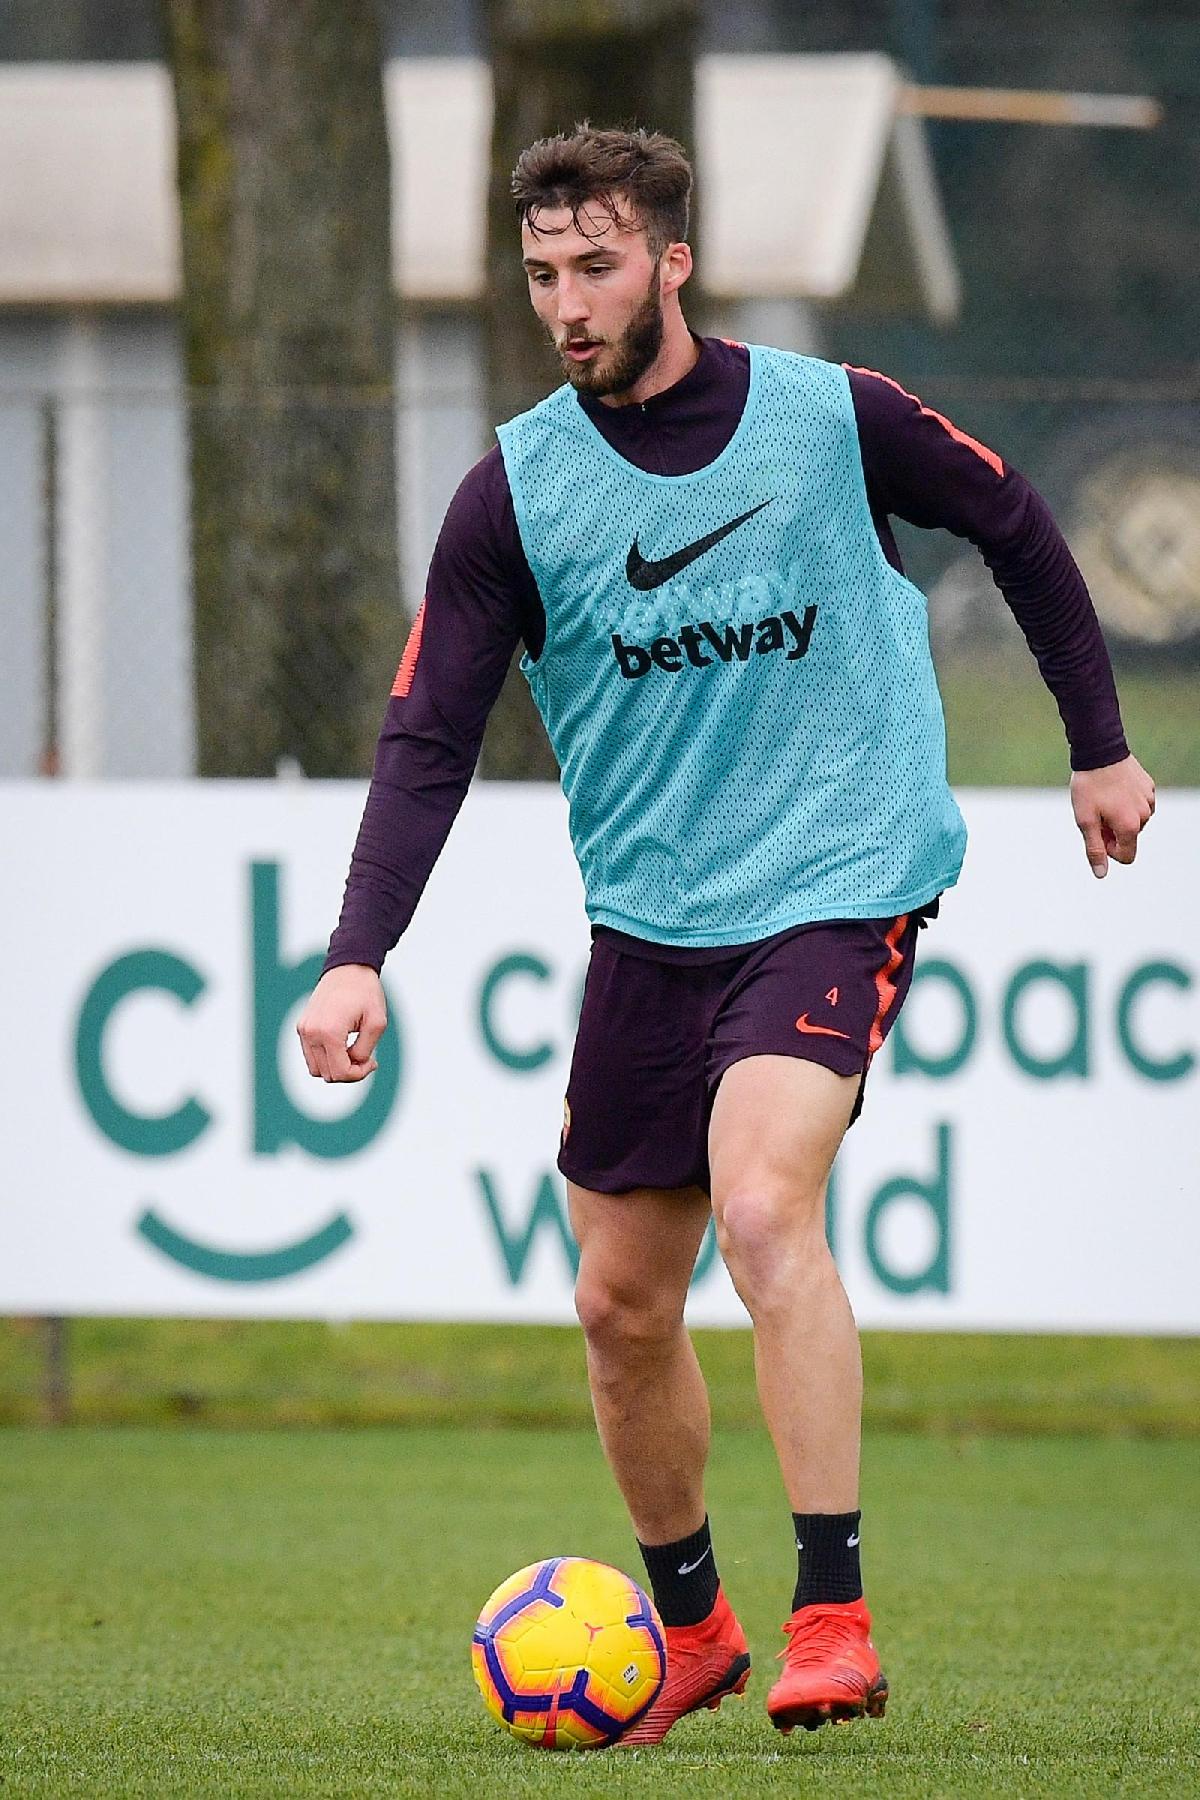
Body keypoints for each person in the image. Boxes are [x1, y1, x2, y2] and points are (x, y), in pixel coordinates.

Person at [297, 126, 1155, 1742]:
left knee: (766, 1209)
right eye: (543, 271)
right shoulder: (516, 494)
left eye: (597, 264)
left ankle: (835, 1610)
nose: (567, 299)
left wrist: (1095, 743)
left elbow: (1023, 524)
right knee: (618, 1306)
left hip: (842, 879)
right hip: (651, 924)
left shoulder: (835, 418)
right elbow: (427, 735)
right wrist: (359, 951)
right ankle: (691, 1629)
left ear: (671, 264)